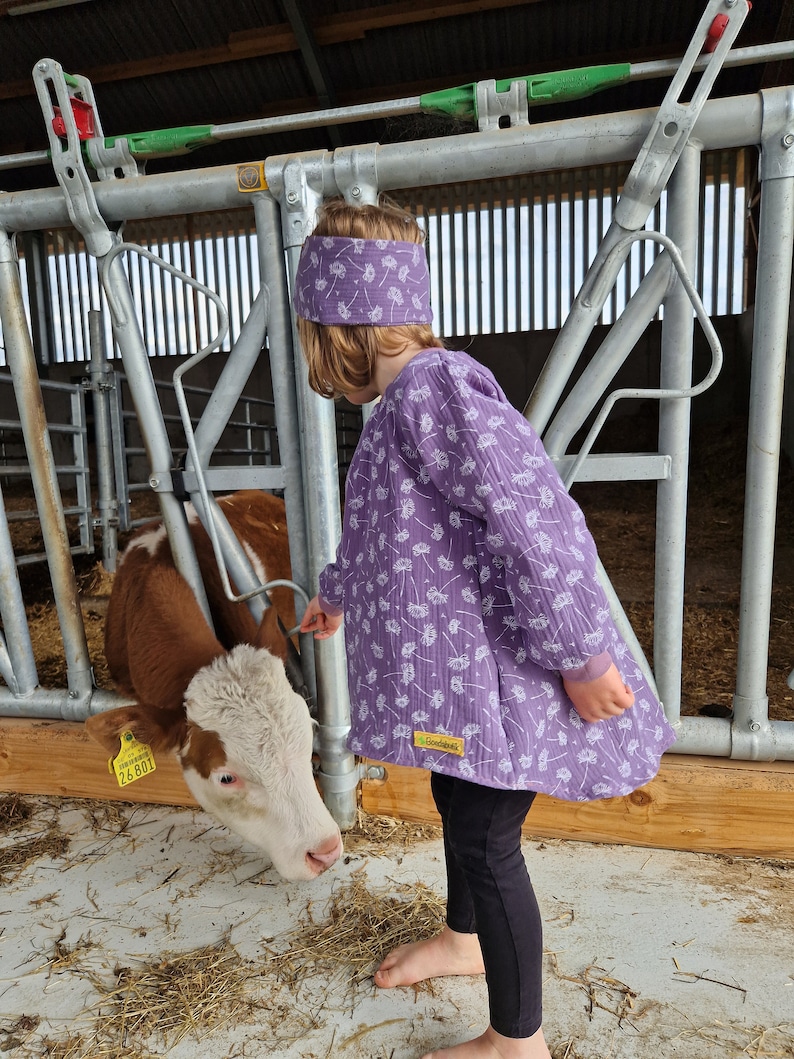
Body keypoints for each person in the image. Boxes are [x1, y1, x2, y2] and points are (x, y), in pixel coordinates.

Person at [295, 197, 676, 1059]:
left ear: (332, 331)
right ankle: (465, 941)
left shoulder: (438, 394)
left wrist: (583, 653)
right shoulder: (397, 411)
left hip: (504, 676)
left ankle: (518, 1040)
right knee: (452, 797)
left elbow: (536, 521)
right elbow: (378, 528)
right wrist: (339, 590)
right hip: (459, 687)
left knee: (484, 835)